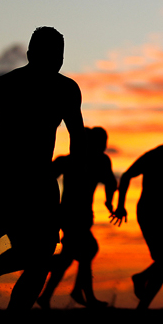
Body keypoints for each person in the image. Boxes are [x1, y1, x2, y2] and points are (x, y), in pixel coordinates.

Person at [0, 26, 84, 310]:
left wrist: (72, 189)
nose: (54, 61)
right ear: (29, 55)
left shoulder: (65, 90)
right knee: (32, 253)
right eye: (50, 55)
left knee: (43, 252)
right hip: (7, 178)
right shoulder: (9, 85)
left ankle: (6, 294)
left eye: (58, 56)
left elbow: (78, 139)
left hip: (39, 179)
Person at [111, 117, 163, 309]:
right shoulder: (158, 154)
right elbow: (126, 175)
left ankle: (143, 296)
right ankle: (141, 285)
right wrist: (120, 205)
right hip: (149, 210)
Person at [37, 126, 117, 309]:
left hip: (73, 215)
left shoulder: (82, 161)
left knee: (68, 257)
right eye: (102, 143)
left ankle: (47, 295)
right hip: (70, 216)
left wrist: (109, 201)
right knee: (88, 250)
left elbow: (111, 182)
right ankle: (86, 296)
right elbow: (45, 179)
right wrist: (110, 202)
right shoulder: (81, 161)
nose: (104, 147)